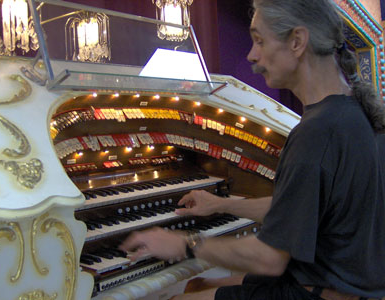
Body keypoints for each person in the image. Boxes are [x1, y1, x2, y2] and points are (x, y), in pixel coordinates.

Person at [120, 0, 385, 299]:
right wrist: (221, 205)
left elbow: (268, 259)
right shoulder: (355, 112)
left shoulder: (317, 132)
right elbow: (297, 212)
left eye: (259, 40)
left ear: (297, 41)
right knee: (197, 286)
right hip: (348, 288)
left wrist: (183, 243)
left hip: (316, 292)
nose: (251, 55)